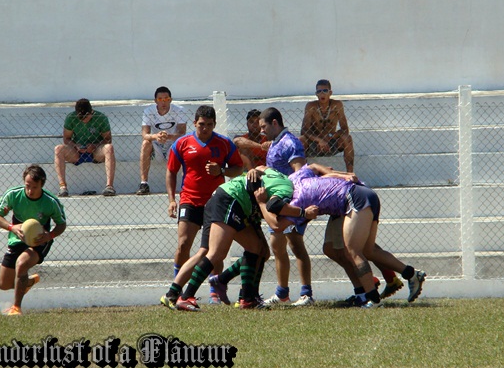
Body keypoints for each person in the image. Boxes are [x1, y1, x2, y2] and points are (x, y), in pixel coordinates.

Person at [256, 162, 426, 307]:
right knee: (360, 250)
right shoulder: (294, 178)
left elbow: (277, 226)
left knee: (353, 251)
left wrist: (262, 202)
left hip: (353, 198)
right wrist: (338, 174)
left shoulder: (295, 201)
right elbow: (313, 166)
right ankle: (411, 274)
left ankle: (372, 299)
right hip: (362, 194)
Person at [160, 167, 314, 311]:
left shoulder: (279, 175)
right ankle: (185, 297)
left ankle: (247, 298)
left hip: (237, 203)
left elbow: (260, 167)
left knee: (259, 250)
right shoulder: (288, 190)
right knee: (216, 253)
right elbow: (275, 218)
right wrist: (303, 213)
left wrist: (253, 170)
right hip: (231, 199)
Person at [166, 105, 244, 304]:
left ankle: (214, 291)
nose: (205, 128)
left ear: (214, 124)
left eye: (209, 125)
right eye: (201, 124)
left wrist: (222, 171)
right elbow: (171, 171)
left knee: (214, 250)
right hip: (189, 200)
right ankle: (178, 286)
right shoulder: (182, 143)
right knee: (183, 244)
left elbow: (238, 168)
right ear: (194, 123)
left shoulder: (224, 143)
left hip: (215, 203)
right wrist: (172, 200)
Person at [258, 107, 315, 307]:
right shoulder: (276, 142)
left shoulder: (290, 143)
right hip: (278, 203)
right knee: (277, 245)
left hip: (291, 201)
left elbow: (301, 174)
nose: (261, 131)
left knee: (295, 244)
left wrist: (293, 207)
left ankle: (306, 294)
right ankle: (282, 293)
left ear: (275, 123)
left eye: (264, 126)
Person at [0, 164, 67, 316]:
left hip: (39, 241)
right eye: (27, 186)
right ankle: (27, 281)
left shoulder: (50, 201)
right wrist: (12, 227)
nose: (30, 191)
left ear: (42, 184)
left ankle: (16, 308)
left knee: (22, 264)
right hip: (16, 239)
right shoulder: (13, 195)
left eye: (34, 187)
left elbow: (61, 224)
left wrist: (49, 236)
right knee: (4, 284)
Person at [54, 98, 117, 197]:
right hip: (77, 152)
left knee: (109, 148)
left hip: (96, 151)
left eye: (86, 117)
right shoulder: (71, 118)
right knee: (58, 149)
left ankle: (109, 186)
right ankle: (63, 187)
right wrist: (75, 145)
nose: (84, 120)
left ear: (91, 112)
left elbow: (108, 139)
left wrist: (94, 146)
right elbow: (66, 138)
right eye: (81, 118)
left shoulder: (101, 117)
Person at [136, 86, 188, 195]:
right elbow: (145, 134)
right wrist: (156, 136)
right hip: (156, 143)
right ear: (155, 101)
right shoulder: (148, 111)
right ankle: (144, 183)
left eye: (166, 99)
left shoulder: (180, 110)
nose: (163, 102)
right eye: (160, 99)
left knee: (184, 143)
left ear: (171, 100)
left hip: (173, 143)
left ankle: (186, 184)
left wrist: (168, 136)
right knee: (145, 143)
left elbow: (182, 133)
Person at [299, 79, 354, 172]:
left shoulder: (337, 105)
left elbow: (345, 129)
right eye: (319, 91)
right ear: (316, 94)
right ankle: (302, 173)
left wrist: (330, 137)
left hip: (331, 142)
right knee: (300, 140)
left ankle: (350, 174)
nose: (322, 94)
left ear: (330, 92)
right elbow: (304, 131)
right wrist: (319, 140)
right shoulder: (311, 106)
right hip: (314, 143)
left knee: (347, 138)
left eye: (325, 91)